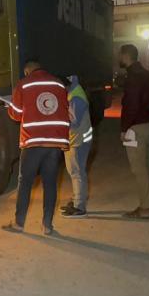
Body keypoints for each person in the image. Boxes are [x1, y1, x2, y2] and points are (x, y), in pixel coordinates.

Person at [1, 60, 70, 235]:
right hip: (54, 143)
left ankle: (19, 223)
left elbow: (16, 114)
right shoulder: (59, 83)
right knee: (50, 184)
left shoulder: (24, 84)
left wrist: (10, 106)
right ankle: (47, 226)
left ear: (27, 71)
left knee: (25, 183)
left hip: (33, 142)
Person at [118, 44, 149, 219]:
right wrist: (148, 113)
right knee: (148, 166)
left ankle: (144, 208)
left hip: (135, 129)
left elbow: (131, 106)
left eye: (119, 56)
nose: (118, 59)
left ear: (125, 56)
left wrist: (124, 128)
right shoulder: (147, 74)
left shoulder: (132, 77)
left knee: (139, 169)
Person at [60, 75, 93, 218]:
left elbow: (73, 121)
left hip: (78, 141)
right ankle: (76, 201)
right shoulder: (74, 92)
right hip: (76, 139)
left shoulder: (75, 97)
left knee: (76, 172)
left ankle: (79, 206)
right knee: (75, 171)